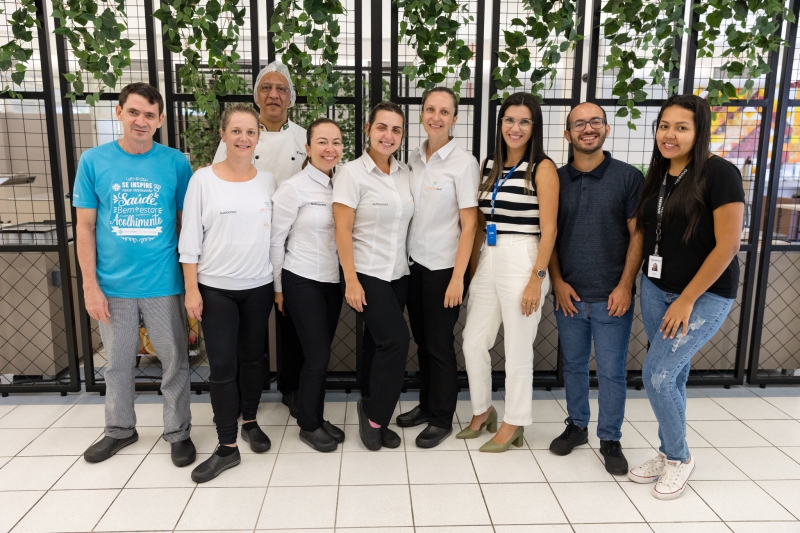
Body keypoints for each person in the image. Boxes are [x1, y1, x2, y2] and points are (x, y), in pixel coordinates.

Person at [628, 94, 744, 499]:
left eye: (681, 127)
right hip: (657, 287)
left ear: (699, 132)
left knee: (656, 376)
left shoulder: (719, 173)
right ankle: (666, 452)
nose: (670, 135)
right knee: (671, 374)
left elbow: (728, 245)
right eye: (664, 126)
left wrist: (687, 298)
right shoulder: (658, 175)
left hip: (703, 295)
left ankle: (679, 457)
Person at [75, 82, 195, 467]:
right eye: (133, 112)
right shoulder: (94, 161)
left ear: (160, 120)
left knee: (175, 361)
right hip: (113, 286)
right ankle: (119, 430)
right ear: (120, 113)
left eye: (149, 115)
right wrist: (91, 286)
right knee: (117, 363)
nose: (140, 121)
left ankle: (178, 432)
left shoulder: (176, 163)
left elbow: (185, 224)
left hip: (163, 283)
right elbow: (85, 228)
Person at [179, 104, 276, 482]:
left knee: (253, 359)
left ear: (258, 137)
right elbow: (189, 241)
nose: (243, 138)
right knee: (221, 366)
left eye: (250, 132)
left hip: (259, 286)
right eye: (236, 131)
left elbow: (274, 238)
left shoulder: (267, 181)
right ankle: (227, 446)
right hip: (216, 288)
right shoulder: (202, 181)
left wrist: (277, 285)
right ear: (223, 134)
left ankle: (250, 420)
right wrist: (192, 290)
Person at [458, 92, 559, 452]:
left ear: (535, 128)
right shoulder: (489, 164)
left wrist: (538, 278)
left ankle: (515, 420)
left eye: (524, 122)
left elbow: (550, 230)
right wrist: (474, 269)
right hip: (490, 254)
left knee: (518, 348)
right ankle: (483, 410)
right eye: (509, 120)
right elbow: (482, 218)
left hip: (524, 257)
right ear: (500, 124)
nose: (515, 128)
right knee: (473, 341)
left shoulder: (543, 168)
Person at [547, 102, 644, 475]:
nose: (588, 129)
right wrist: (556, 280)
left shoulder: (628, 177)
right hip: (569, 294)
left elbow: (638, 234)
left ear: (606, 128)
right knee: (572, 366)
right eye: (579, 124)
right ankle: (576, 425)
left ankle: (610, 437)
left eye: (595, 122)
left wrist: (624, 286)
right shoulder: (554, 178)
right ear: (567, 133)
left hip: (611, 297)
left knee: (611, 371)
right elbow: (549, 235)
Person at [213, 60, 307, 418]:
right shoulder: (237, 138)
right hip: (248, 245)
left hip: (293, 244)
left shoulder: (302, 137)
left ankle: (292, 388)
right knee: (247, 328)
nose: (273, 94)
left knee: (291, 320)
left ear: (290, 98)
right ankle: (243, 390)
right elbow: (221, 186)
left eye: (281, 88)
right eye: (266, 88)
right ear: (256, 95)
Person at [396, 87, 479, 448]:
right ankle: (427, 406)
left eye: (444, 111)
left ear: (455, 119)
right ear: (421, 114)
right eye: (430, 109)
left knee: (440, 344)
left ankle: (442, 417)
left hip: (444, 269)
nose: (436, 117)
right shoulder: (413, 158)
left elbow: (470, 225)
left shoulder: (464, 163)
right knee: (422, 340)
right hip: (412, 266)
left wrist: (458, 277)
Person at [333, 102, 414, 451]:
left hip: (399, 273)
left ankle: (369, 401)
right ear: (368, 129)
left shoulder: (405, 172)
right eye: (382, 127)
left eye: (396, 130)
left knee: (376, 344)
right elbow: (342, 229)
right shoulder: (351, 173)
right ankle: (376, 418)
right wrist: (351, 280)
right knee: (397, 341)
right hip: (365, 274)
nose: (388, 135)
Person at [270, 118, 346, 452]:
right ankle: (308, 425)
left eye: (337, 142)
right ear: (308, 147)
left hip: (332, 281)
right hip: (300, 280)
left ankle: (316, 414)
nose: (330, 149)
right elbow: (275, 241)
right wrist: (278, 288)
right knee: (316, 357)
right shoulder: (294, 187)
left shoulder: (342, 184)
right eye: (322, 142)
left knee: (318, 355)